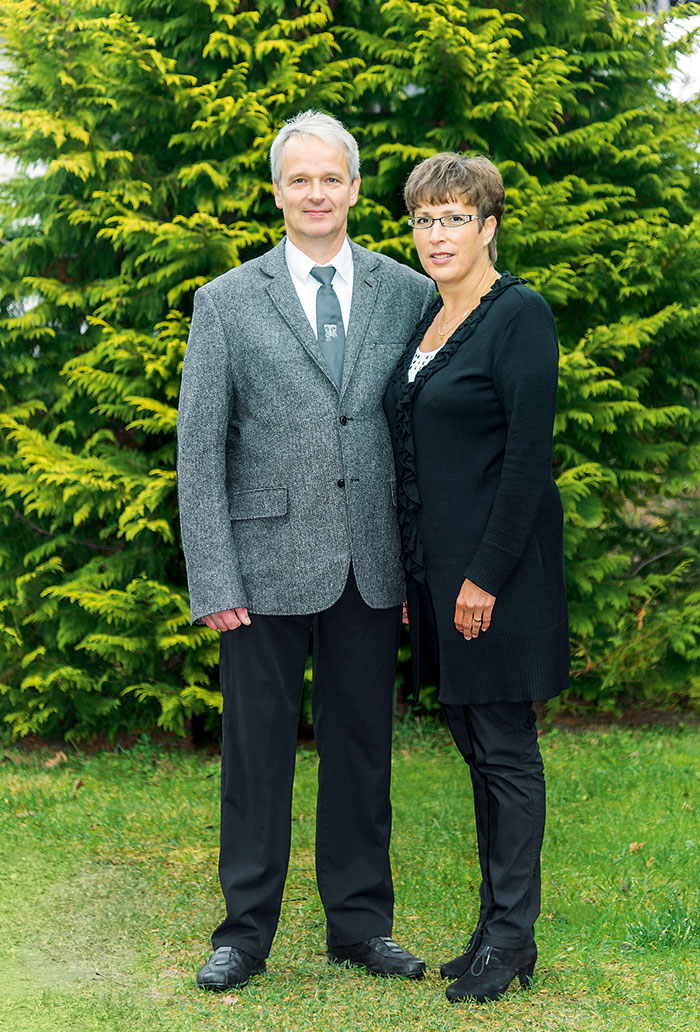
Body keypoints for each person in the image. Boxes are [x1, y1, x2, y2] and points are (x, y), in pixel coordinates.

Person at [176, 110, 436, 991]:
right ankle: (243, 934)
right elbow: (199, 449)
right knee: (256, 755)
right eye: (300, 180)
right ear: (278, 191)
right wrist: (212, 574)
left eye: (332, 178)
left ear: (355, 189)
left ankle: (360, 925)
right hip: (258, 568)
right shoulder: (226, 301)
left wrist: (416, 565)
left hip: (372, 564)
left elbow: (415, 438)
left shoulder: (408, 291)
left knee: (362, 750)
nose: (316, 193)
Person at [383, 153, 570, 1004]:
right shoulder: (429, 319)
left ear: (489, 226)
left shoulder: (517, 313)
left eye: (455, 216)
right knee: (475, 748)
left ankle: (513, 939)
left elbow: (528, 457)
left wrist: (484, 577)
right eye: (425, 218)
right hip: (439, 579)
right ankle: (493, 925)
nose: (436, 234)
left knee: (505, 751)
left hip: (495, 579)